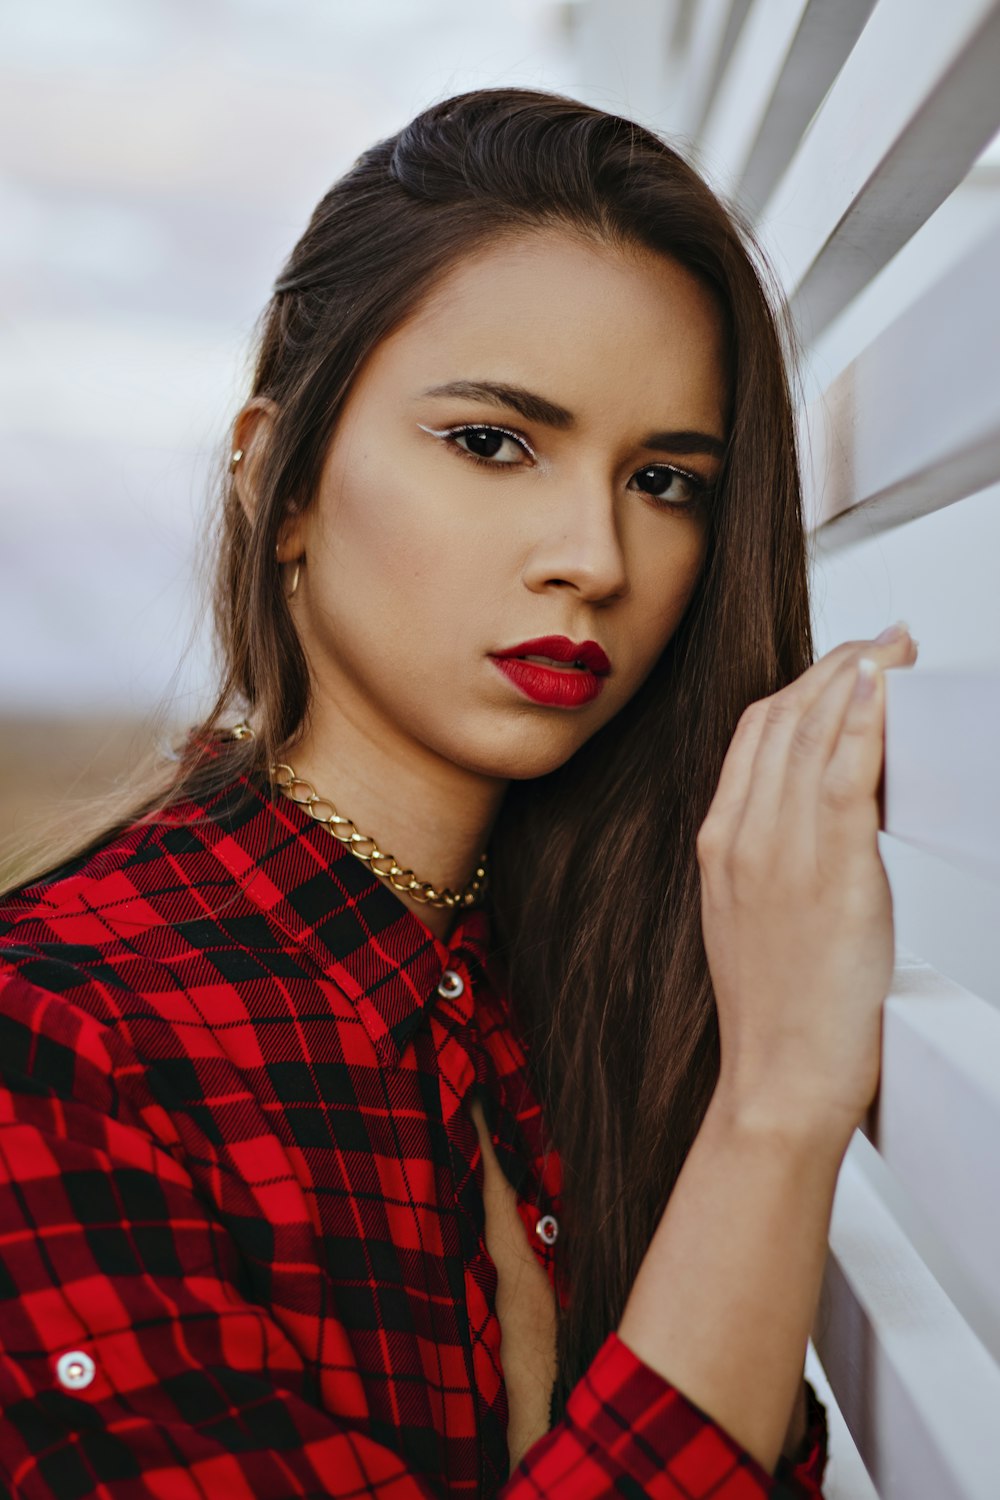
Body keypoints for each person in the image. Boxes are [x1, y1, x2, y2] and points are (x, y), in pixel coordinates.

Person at [0, 89, 916, 1497]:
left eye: (666, 480)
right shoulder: (63, 1038)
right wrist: (776, 1114)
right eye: (492, 442)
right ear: (278, 477)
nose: (592, 558)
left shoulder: (596, 996)